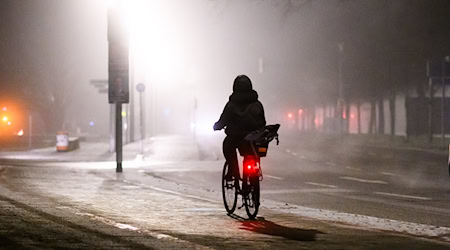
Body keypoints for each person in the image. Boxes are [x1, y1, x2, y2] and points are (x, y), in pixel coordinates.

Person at [213, 75, 266, 180]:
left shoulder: (231, 105)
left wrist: (217, 126)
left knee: (227, 146)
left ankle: (233, 169)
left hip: (235, 137)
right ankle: (255, 169)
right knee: (254, 150)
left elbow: (223, 120)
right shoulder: (257, 104)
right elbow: (262, 122)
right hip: (253, 137)